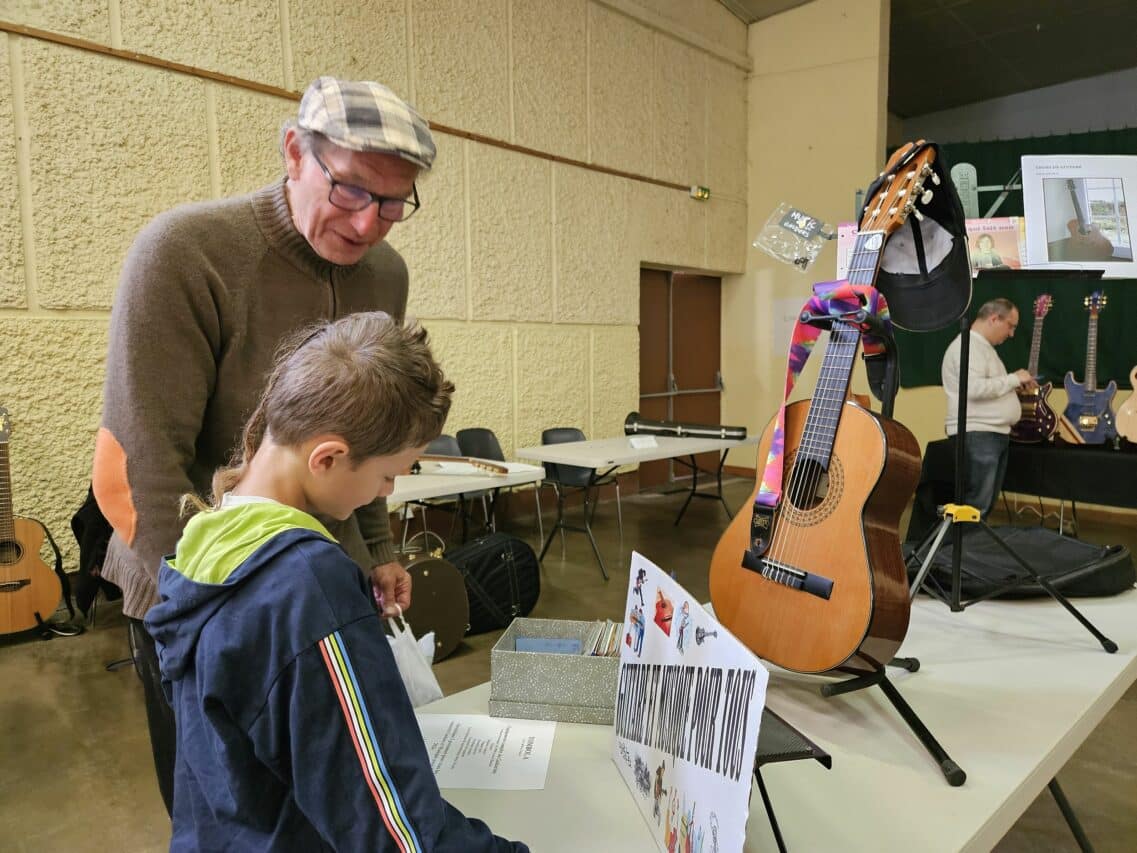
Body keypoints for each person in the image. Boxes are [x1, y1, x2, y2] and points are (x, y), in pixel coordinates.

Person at [91, 76, 435, 815]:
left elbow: (370, 431)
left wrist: (373, 549)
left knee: (322, 802)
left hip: (313, 576)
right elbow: (139, 468)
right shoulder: (185, 253)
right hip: (193, 586)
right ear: (292, 152)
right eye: (350, 190)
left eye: (394, 202)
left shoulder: (385, 274)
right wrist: (210, 617)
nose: (371, 223)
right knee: (224, 804)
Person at [144, 313, 527, 851]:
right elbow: (395, 830)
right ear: (327, 457)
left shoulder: (206, 540)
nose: (383, 494)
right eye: (387, 475)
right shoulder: (308, 586)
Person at [941, 297, 1037, 518]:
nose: (1011, 334)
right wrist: (1013, 379)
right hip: (979, 435)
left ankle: (970, 549)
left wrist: (1013, 388)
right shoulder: (969, 346)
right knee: (975, 507)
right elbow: (973, 389)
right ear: (994, 319)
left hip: (990, 434)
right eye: (1010, 326)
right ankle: (963, 550)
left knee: (980, 507)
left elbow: (983, 387)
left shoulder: (981, 347)